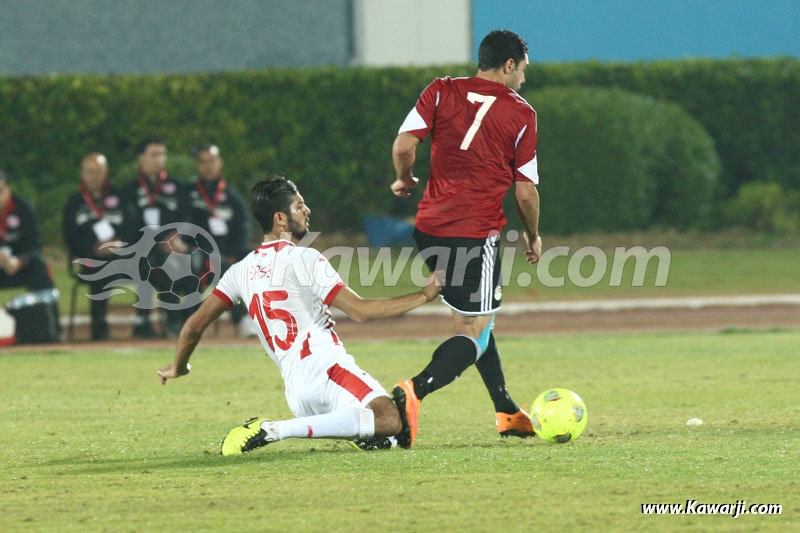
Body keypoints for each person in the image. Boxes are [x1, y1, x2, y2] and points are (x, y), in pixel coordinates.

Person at [157, 176, 442, 455]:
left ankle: (347, 433)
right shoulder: (306, 258)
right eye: (299, 206)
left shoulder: (240, 271)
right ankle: (275, 429)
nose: (307, 211)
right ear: (280, 218)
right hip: (328, 369)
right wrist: (423, 295)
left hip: (296, 389)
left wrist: (178, 366)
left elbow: (194, 326)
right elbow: (361, 311)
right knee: (389, 420)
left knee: (385, 438)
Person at [389, 30, 543, 448]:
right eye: (523, 70)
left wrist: (404, 180)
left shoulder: (441, 90)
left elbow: (404, 146)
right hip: (475, 233)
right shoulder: (521, 113)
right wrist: (532, 236)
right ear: (509, 65)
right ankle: (412, 392)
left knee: (471, 324)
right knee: (475, 331)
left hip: (429, 228)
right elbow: (525, 192)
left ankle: (506, 410)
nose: (524, 79)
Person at [120, 135, 189, 338]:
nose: (159, 159)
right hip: (140, 248)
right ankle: (143, 321)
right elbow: (129, 225)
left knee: (175, 262)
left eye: (162, 155)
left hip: (172, 247)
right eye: (153, 155)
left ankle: (174, 319)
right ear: (141, 158)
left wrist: (175, 236)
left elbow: (186, 217)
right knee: (146, 261)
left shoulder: (177, 187)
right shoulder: (129, 190)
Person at [63, 153, 135, 340]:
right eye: (89, 172)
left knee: (150, 263)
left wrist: (119, 244)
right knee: (100, 268)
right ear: (82, 173)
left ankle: (145, 324)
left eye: (98, 171)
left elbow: (134, 226)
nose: (93, 176)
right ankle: (99, 328)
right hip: (91, 258)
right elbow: (70, 236)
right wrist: (92, 247)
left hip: (123, 256)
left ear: (106, 172)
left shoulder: (121, 197)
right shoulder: (74, 203)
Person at [186, 144, 252, 335]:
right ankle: (195, 324)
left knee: (232, 268)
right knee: (191, 267)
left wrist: (232, 253)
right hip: (197, 253)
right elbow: (183, 224)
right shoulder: (188, 194)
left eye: (212, 161)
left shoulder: (232, 196)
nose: (208, 166)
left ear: (220, 162)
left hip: (226, 254)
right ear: (196, 165)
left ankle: (243, 320)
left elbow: (243, 227)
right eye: (203, 161)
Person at [0, 170, 61, 337]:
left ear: (8, 189)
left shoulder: (24, 209)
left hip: (22, 267)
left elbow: (36, 246)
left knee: (40, 267)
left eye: (0, 191)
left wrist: (19, 260)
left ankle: (52, 330)